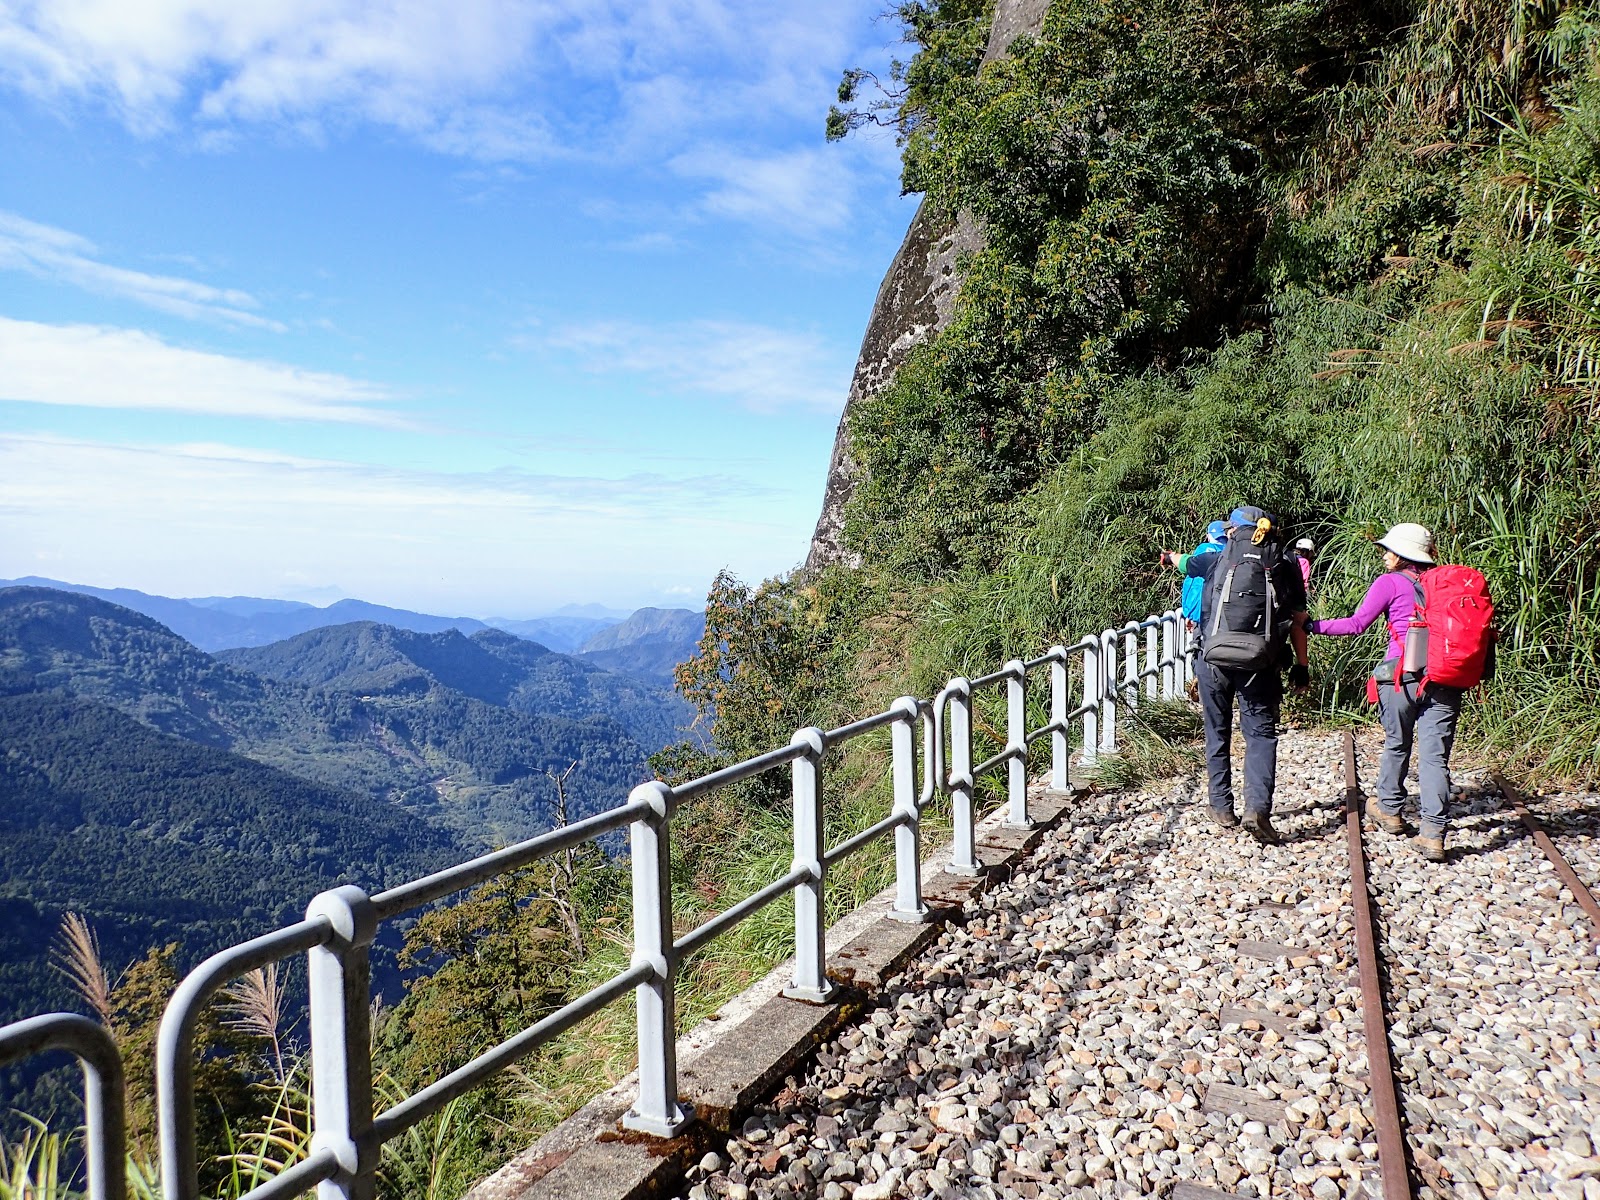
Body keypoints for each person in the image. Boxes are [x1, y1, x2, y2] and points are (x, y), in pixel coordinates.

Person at [1307, 522, 1459, 862]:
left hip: (1403, 676)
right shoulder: (1445, 582)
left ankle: (1390, 809)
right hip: (1445, 678)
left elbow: (1356, 624)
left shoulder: (1390, 582)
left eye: (1388, 550)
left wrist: (1310, 625)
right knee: (1435, 758)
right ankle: (1433, 834)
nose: (1384, 555)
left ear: (1402, 554)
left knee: (1397, 743)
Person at [1161, 507, 1311, 845]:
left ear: (1233, 531)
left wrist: (1169, 557)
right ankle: (1257, 808)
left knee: (1217, 730)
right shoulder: (1286, 563)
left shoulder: (1216, 557)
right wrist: (1302, 666)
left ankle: (1221, 806)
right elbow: (1299, 620)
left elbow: (1184, 562)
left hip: (1213, 660)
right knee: (1260, 735)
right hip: (1261, 663)